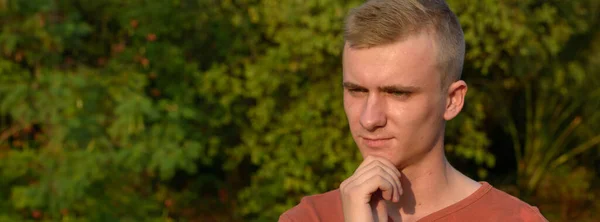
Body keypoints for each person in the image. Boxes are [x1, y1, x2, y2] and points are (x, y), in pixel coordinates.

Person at [279, 0, 548, 221]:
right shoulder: (308, 218)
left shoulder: (515, 219)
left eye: (397, 93)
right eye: (357, 91)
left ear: (452, 100)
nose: (369, 118)